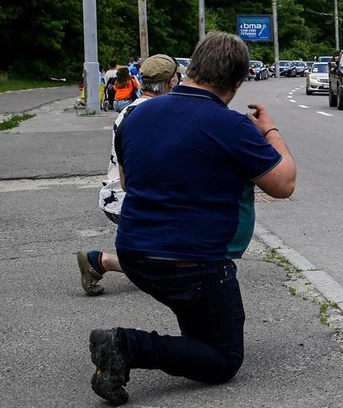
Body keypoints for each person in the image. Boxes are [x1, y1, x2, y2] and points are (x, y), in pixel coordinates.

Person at [88, 32, 296, 406]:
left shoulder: (136, 115)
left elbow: (126, 181)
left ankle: (156, 344)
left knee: (201, 334)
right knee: (223, 360)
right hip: (192, 265)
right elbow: (283, 184)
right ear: (237, 81)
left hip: (134, 252)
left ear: (191, 68)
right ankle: (125, 344)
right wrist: (270, 132)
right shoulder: (232, 125)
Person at [77, 54, 184, 296]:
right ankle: (101, 261)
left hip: (118, 195)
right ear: (172, 83)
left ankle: (103, 262)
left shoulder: (131, 110)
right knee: (175, 265)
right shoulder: (156, 115)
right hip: (132, 199)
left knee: (171, 260)